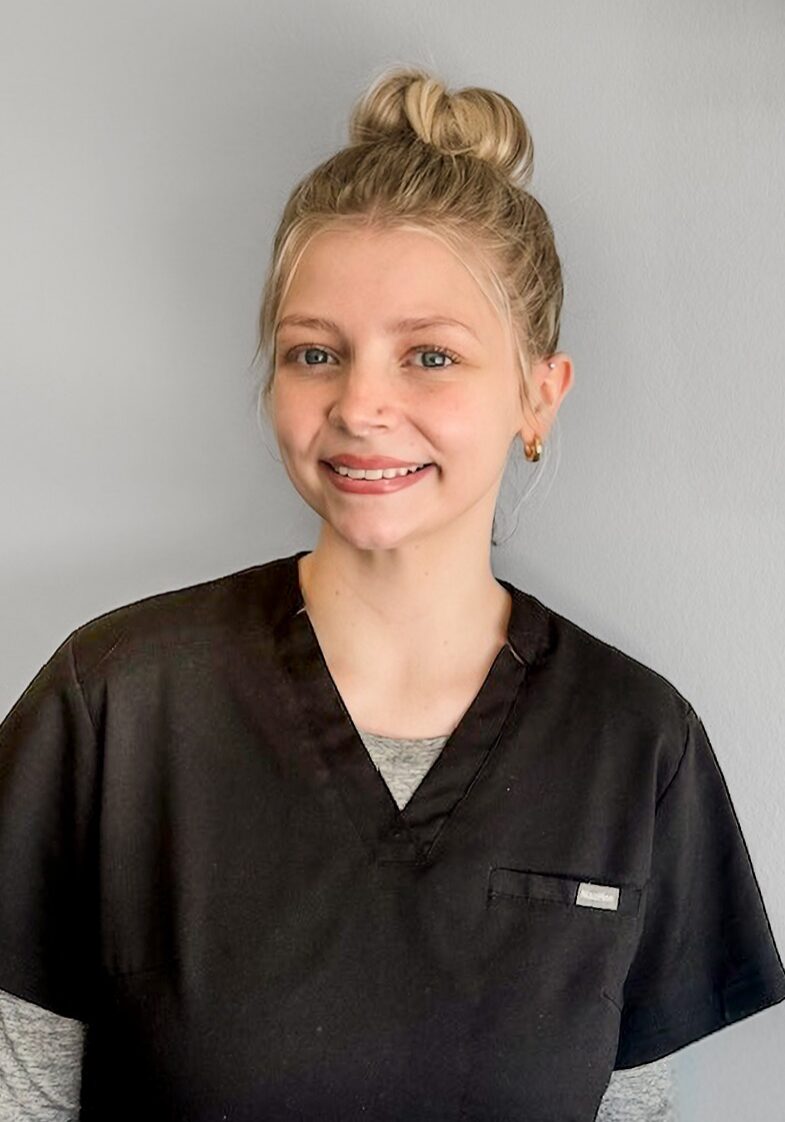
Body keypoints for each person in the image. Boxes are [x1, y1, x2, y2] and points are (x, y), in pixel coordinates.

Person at [1, 64, 783, 1122]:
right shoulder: (115, 705)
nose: (361, 404)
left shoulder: (634, 743)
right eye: (315, 352)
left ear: (535, 395)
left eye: (428, 355)